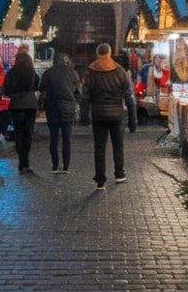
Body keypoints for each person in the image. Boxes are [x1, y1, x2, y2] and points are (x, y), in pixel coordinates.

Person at [81, 43, 136, 191]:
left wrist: (84, 118)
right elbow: (129, 97)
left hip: (98, 115)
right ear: (110, 53)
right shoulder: (120, 71)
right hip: (117, 115)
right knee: (118, 146)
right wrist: (132, 121)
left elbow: (85, 98)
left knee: (99, 149)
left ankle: (100, 180)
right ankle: (119, 173)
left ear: (98, 54)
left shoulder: (90, 71)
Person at [39, 54, 81, 174]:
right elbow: (79, 92)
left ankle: (55, 165)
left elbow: (42, 89)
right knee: (67, 138)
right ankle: (66, 166)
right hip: (68, 108)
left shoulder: (48, 73)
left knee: (54, 137)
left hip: (52, 107)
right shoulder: (72, 73)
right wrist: (74, 102)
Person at [2, 50, 40, 174]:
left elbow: (5, 90)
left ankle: (21, 163)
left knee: (18, 133)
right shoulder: (32, 73)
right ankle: (26, 163)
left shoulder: (12, 73)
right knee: (27, 133)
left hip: (16, 105)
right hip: (30, 105)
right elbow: (36, 86)